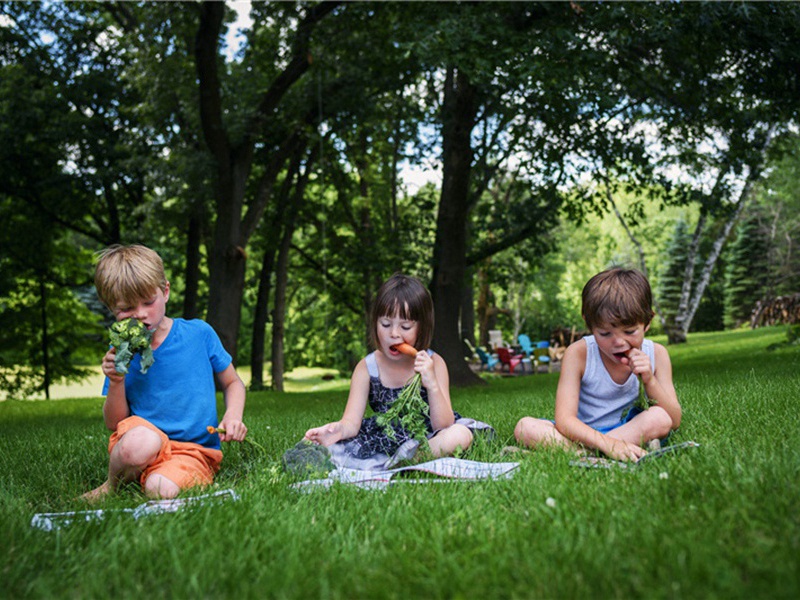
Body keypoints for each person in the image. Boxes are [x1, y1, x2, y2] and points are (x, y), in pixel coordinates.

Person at [82, 244, 247, 500]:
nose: (140, 315)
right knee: (140, 444)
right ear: (111, 309)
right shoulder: (121, 350)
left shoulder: (199, 334)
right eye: (126, 309)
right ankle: (112, 487)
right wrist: (116, 380)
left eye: (149, 302)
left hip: (192, 449)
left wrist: (233, 416)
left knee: (160, 490)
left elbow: (233, 382)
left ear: (166, 291)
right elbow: (114, 423)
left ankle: (168, 476)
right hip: (143, 440)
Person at [303, 273, 492, 470]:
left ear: (422, 328)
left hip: (428, 436)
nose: (394, 333)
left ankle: (404, 461)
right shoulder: (366, 368)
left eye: (405, 326)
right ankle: (401, 462)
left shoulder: (434, 363)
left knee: (458, 435)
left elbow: (444, 425)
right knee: (325, 450)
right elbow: (351, 422)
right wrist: (337, 431)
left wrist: (432, 383)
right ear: (375, 323)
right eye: (385, 324)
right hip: (386, 440)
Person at [514, 267, 681, 462]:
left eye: (629, 332)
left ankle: (580, 455)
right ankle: (605, 451)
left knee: (659, 418)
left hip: (628, 429)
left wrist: (649, 380)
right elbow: (565, 420)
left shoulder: (657, 354)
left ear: (647, 322)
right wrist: (608, 444)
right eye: (605, 333)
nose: (619, 342)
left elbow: (674, 420)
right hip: (581, 433)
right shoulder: (578, 353)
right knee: (525, 427)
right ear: (589, 324)